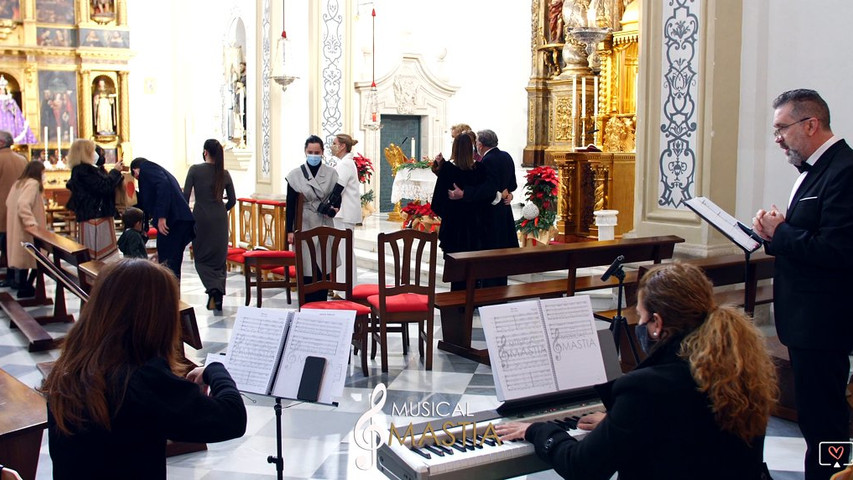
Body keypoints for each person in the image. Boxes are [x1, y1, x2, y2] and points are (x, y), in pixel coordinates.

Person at [495, 263, 778, 479]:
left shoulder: (646, 388)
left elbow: (582, 467)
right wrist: (616, 421)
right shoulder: (738, 368)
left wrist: (539, 430)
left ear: (657, 322)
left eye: (641, 316)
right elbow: (683, 427)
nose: (639, 324)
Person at [41, 259, 247, 480]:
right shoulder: (141, 378)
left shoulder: (71, 368)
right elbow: (232, 417)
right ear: (156, 319)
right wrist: (215, 369)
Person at [752, 89, 853, 480]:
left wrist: (782, 233)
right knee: (817, 418)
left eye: (782, 128)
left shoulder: (844, 171)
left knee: (825, 421)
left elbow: (840, 251)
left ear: (811, 124)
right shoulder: (818, 169)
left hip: (824, 321)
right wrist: (774, 232)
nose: (777, 138)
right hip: (808, 320)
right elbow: (810, 237)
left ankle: (832, 477)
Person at [447, 129, 517, 286]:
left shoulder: (487, 161)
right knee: (501, 257)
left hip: (490, 215)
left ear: (481, 144)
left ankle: (488, 295)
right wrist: (508, 194)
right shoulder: (506, 156)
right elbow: (512, 183)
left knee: (489, 258)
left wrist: (465, 194)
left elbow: (487, 189)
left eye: (477, 142)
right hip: (504, 212)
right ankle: (500, 293)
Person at [285, 135, 341, 303]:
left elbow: (337, 198)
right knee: (307, 268)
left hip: (324, 223)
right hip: (305, 224)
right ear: (305, 152)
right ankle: (306, 305)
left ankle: (322, 306)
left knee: (323, 268)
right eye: (310, 152)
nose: (314, 155)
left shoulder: (331, 174)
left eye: (317, 152)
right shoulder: (295, 175)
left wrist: (334, 208)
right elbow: (291, 205)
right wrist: (289, 230)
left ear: (322, 152)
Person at [183, 139, 235, 311]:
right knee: (219, 259)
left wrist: (189, 215)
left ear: (205, 152)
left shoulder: (195, 170)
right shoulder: (224, 173)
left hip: (201, 217)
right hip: (220, 218)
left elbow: (185, 196)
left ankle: (213, 289)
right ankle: (218, 294)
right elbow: (232, 200)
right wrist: (221, 210)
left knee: (201, 258)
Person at [430, 132, 486, 291]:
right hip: (475, 226)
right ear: (472, 148)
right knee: (473, 266)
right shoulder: (480, 169)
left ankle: (457, 303)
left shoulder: (448, 169)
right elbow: (484, 197)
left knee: (456, 270)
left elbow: (437, 202)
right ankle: (473, 300)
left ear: (454, 148)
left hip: (454, 227)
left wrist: (451, 211)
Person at [130, 157, 195, 280]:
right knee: (170, 261)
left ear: (135, 170)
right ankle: (172, 294)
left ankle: (169, 295)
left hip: (173, 221)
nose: (139, 180)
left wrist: (161, 216)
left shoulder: (146, 167)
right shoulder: (157, 169)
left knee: (169, 264)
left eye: (136, 177)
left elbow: (163, 185)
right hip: (179, 221)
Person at [65, 139, 123, 261]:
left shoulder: (91, 169)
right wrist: (115, 171)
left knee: (106, 255)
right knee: (97, 258)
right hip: (94, 217)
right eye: (92, 150)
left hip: (99, 216)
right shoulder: (83, 170)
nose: (95, 153)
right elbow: (103, 187)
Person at [4, 161, 46, 298]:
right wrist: (31, 223)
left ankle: (23, 284)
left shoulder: (19, 183)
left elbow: (8, 202)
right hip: (28, 229)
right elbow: (23, 204)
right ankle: (26, 286)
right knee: (37, 258)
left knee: (24, 259)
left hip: (17, 228)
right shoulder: (33, 183)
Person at [330, 133, 361, 295]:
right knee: (343, 251)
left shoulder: (346, 164)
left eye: (335, 143)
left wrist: (327, 205)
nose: (332, 146)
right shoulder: (345, 163)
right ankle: (341, 287)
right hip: (344, 214)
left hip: (344, 214)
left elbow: (337, 188)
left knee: (344, 252)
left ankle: (345, 289)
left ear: (342, 146)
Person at [0, 130, 26, 288]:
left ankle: (11, 277)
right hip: (19, 210)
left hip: (2, 210)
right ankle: (16, 278)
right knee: (15, 245)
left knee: (6, 247)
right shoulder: (22, 159)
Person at [0, 76, 35, 144]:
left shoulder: (10, 100)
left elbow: (16, 112)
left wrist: (10, 106)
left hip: (9, 119)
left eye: (3, 89)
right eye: (0, 89)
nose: (2, 91)